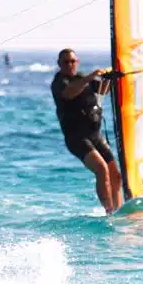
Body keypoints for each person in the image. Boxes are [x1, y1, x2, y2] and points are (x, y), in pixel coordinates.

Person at [50, 48, 123, 214]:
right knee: (101, 168)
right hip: (77, 138)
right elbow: (69, 93)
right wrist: (90, 76)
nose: (69, 65)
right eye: (65, 62)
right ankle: (109, 211)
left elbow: (103, 90)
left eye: (72, 61)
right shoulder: (59, 83)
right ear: (59, 64)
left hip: (95, 135)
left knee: (116, 175)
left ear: (77, 62)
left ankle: (119, 210)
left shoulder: (82, 79)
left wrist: (110, 78)